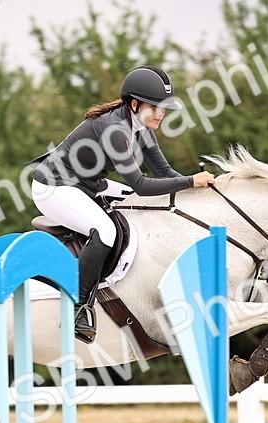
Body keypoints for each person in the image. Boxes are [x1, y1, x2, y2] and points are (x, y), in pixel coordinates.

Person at [31, 65, 216, 343]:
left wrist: (199, 192)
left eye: (164, 108)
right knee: (105, 231)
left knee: (137, 203)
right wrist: (191, 181)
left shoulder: (142, 128)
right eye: (155, 107)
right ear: (135, 104)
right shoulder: (115, 130)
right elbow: (141, 184)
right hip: (53, 187)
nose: (161, 114)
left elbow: (165, 174)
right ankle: (78, 308)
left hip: (88, 184)